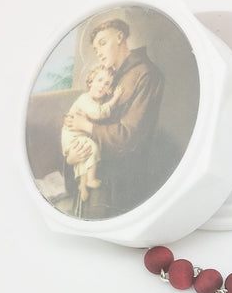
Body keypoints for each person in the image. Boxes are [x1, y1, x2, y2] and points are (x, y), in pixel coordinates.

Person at [63, 18, 164, 214]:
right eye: (96, 49)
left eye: (103, 43)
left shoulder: (146, 75)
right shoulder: (109, 77)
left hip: (122, 180)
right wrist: (71, 157)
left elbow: (129, 136)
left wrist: (86, 126)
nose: (99, 53)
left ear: (120, 37)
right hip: (94, 165)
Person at [60, 65, 120, 202]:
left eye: (107, 84)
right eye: (99, 80)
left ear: (109, 89)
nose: (102, 86)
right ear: (91, 82)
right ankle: (90, 180)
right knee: (91, 148)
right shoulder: (86, 99)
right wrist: (115, 99)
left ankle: (83, 186)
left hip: (77, 138)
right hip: (72, 137)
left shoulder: (97, 101)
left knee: (86, 155)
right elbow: (98, 113)